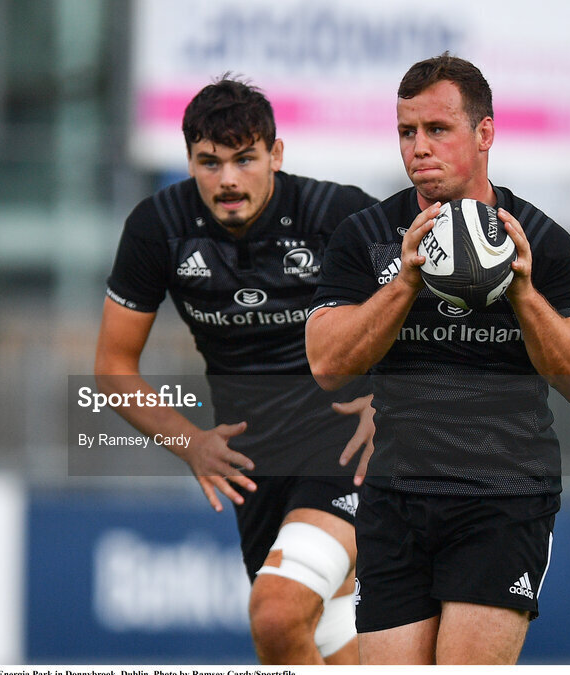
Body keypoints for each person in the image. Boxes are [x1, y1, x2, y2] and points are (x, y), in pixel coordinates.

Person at [306, 53, 570, 665]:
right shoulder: (366, 237)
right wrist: (404, 284)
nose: (418, 148)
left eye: (437, 130)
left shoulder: (541, 242)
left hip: (503, 498)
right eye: (406, 132)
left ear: (485, 133)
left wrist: (522, 292)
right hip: (396, 500)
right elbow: (327, 366)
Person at [94, 76, 378, 664]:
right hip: (253, 467)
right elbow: (113, 367)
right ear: (189, 161)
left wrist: (397, 402)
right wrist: (191, 443)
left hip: (344, 448)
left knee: (275, 613)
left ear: (276, 154)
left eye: (245, 159)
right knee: (317, 638)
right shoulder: (157, 228)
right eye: (209, 162)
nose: (227, 180)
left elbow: (431, 310)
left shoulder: (336, 215)